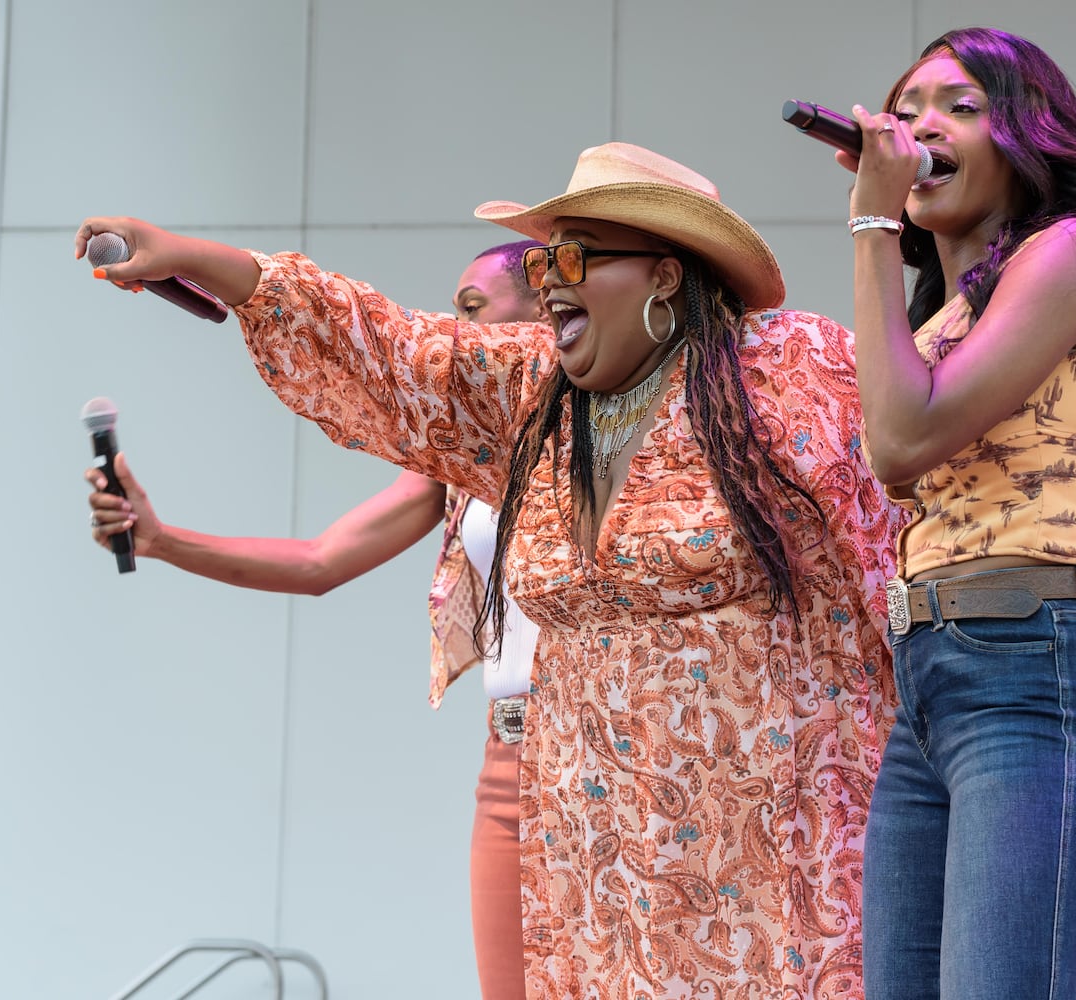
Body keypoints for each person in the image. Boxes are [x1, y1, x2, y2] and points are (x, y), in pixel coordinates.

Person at [75, 141, 902, 999]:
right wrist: (199, 256)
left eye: (574, 256)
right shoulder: (533, 395)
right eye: (544, 259)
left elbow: (900, 505)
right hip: (593, 830)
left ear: (664, 275)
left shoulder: (788, 365)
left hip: (768, 834)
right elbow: (385, 348)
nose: (549, 280)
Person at [838, 27, 1076, 1000]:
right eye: (909, 106)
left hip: (1035, 664)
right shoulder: (938, 323)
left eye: (960, 106)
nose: (923, 124)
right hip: (926, 677)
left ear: (1025, 137)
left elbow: (900, 439)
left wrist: (873, 229)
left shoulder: (1073, 254)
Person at [86, 241, 546, 1000]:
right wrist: (163, 542)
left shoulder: (613, 425)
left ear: (549, 308)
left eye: (473, 307)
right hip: (510, 757)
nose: (452, 327)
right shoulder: (464, 453)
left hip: (611, 746)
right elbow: (321, 559)